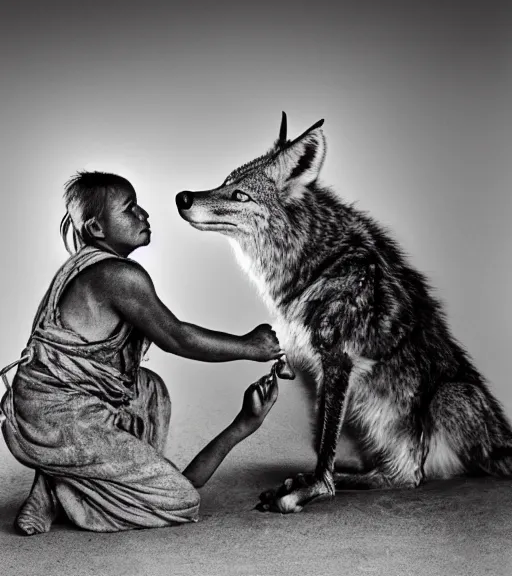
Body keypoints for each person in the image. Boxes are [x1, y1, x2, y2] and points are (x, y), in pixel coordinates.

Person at [0, 171, 282, 535]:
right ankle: (59, 490)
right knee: (181, 502)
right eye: (129, 208)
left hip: (62, 402)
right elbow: (176, 337)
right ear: (98, 228)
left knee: (148, 389)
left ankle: (65, 480)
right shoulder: (117, 276)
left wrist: (244, 424)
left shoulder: (91, 263)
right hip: (52, 416)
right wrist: (250, 346)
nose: (144, 214)